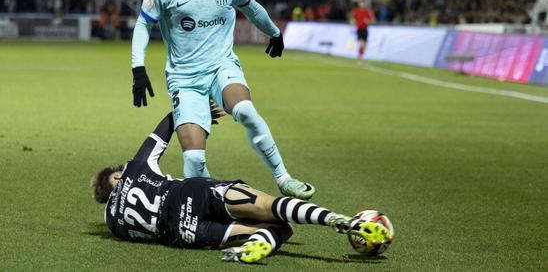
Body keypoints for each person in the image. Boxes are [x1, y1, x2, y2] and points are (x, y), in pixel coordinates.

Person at [130, 0, 314, 199]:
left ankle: (283, 178)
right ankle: (213, 205)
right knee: (193, 160)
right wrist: (137, 68)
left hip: (221, 66)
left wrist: (274, 33)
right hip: (184, 77)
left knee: (245, 111)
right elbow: (144, 23)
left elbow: (251, 7)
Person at [91, 110, 392, 264]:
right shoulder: (134, 169)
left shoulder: (114, 224)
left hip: (183, 233)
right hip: (190, 195)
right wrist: (192, 114)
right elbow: (163, 129)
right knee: (270, 207)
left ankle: (256, 240)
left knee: (283, 229)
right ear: (116, 178)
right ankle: (340, 221)